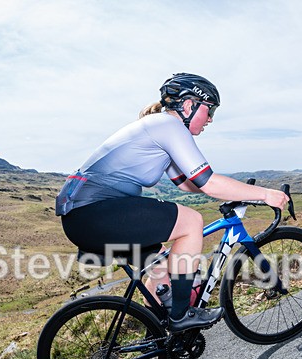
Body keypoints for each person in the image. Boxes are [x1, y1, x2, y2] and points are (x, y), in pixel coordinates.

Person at [55, 73, 289, 332]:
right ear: (189, 106)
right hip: (94, 212)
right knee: (191, 221)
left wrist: (240, 192)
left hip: (83, 217)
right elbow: (208, 182)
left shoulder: (160, 133)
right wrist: (266, 195)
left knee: (160, 266)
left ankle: (162, 331)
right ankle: (181, 315)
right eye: (209, 110)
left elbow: (189, 184)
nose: (210, 119)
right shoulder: (169, 126)